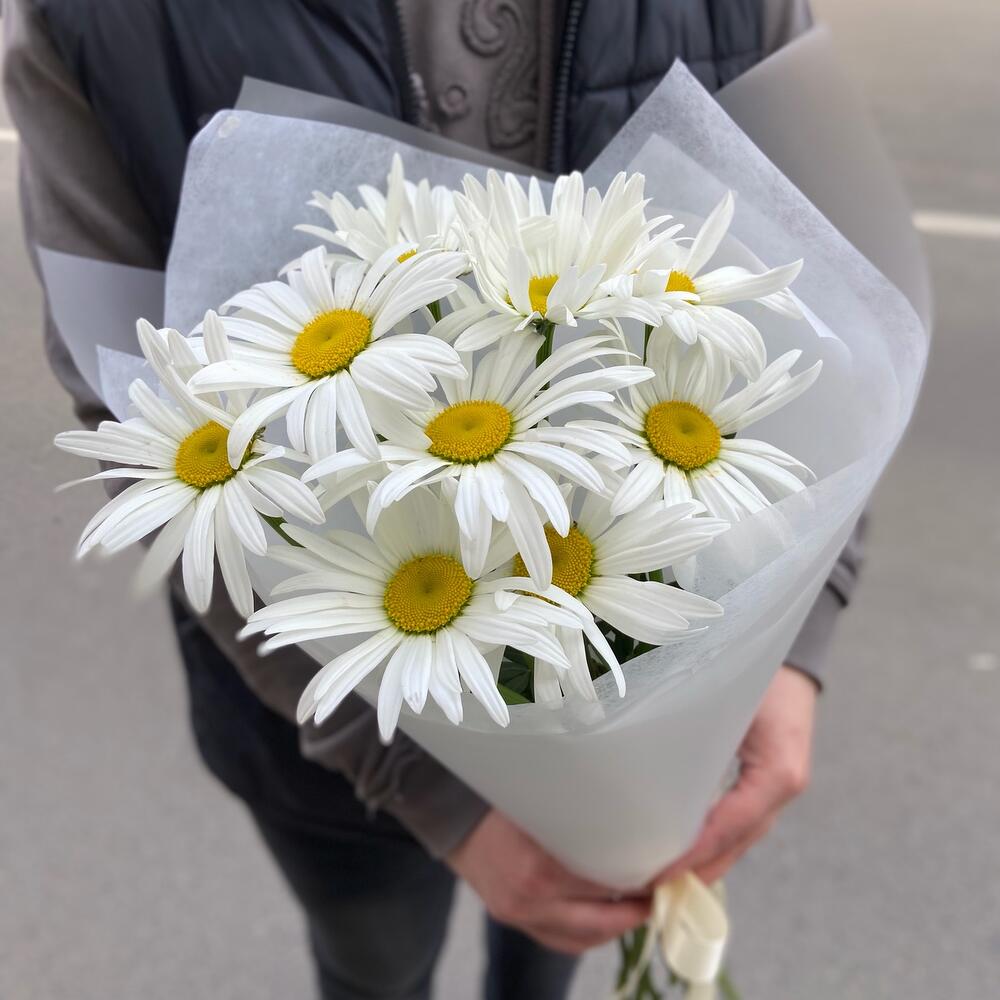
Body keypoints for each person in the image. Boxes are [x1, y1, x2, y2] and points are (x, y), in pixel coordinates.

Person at [4, 1, 863, 996]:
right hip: (332, 736)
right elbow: (133, 403)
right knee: (376, 965)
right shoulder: (95, 19)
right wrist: (419, 783)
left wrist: (796, 636)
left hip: (632, 672)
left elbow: (841, 294)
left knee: (555, 951)